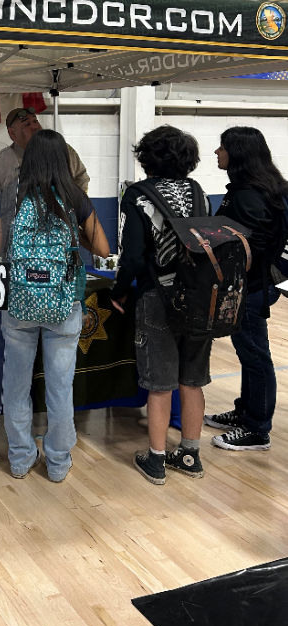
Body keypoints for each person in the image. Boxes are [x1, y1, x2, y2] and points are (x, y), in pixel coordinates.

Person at [0, 129, 109, 482]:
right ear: (63, 159)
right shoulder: (75, 196)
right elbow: (102, 248)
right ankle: (57, 463)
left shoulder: (9, 195)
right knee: (60, 388)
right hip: (63, 304)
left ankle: (20, 458)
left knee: (15, 386)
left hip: (18, 303)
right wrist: (77, 238)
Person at [110, 125, 212, 485]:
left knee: (160, 383)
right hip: (200, 297)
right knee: (193, 379)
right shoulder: (198, 192)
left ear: (146, 157)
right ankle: (189, 453)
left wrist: (120, 291)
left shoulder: (138, 196)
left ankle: (155, 459)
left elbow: (134, 257)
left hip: (158, 296)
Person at [204, 126, 288, 451]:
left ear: (237, 153)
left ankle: (257, 429)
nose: (217, 152)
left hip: (248, 288)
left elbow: (251, 243)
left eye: (221, 147)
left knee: (256, 356)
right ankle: (245, 412)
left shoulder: (251, 195)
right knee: (248, 353)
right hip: (246, 285)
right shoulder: (248, 188)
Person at [0, 106, 89, 229]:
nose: (35, 127)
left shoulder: (61, 150)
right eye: (27, 124)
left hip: (59, 232)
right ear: (12, 133)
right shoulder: (0, 163)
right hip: (17, 237)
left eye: (35, 121)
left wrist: (73, 211)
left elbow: (81, 178)